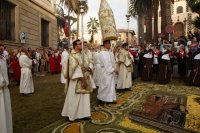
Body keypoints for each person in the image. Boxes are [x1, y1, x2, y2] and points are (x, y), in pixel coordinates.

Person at [61, 39, 95, 121]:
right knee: (75, 98)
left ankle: (84, 114)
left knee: (85, 98)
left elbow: (90, 62)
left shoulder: (84, 54)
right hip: (76, 81)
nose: (81, 45)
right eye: (80, 44)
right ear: (75, 46)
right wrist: (82, 79)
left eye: (82, 44)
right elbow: (74, 69)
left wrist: (88, 68)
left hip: (86, 77)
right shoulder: (72, 56)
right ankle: (72, 115)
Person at [0, 44, 13, 133]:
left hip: (4, 89)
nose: (1, 48)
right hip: (1, 88)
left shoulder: (2, 59)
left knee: (5, 111)